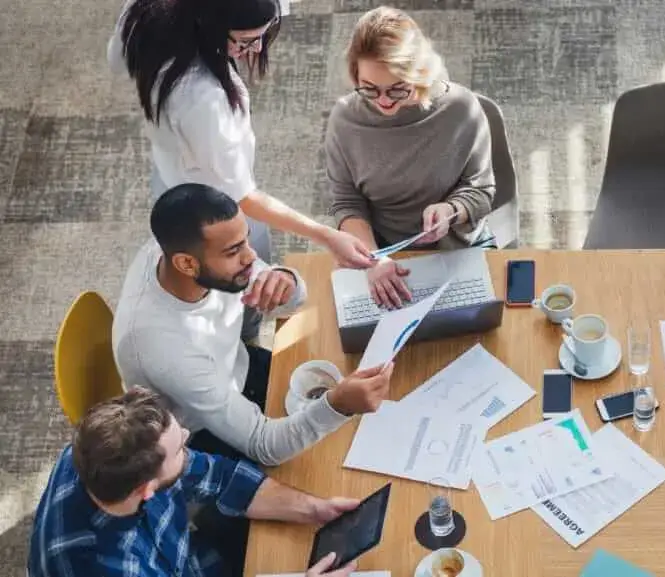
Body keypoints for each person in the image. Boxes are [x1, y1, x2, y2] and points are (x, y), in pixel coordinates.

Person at [107, 0, 375, 339]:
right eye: (245, 41)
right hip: (208, 204)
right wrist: (328, 236)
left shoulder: (146, 14)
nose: (258, 48)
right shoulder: (204, 101)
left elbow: (116, 60)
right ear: (208, 23)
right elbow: (243, 196)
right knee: (236, 282)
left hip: (170, 168)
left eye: (265, 33)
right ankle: (243, 338)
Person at [113, 183, 393, 467]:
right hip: (198, 431)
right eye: (234, 250)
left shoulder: (182, 253)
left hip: (238, 367)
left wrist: (286, 280)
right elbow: (265, 445)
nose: (250, 257)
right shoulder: (162, 346)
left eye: (246, 240)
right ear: (186, 264)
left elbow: (292, 300)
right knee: (330, 461)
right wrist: (339, 405)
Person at [28, 388, 357, 577]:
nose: (187, 435)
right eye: (179, 448)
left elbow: (223, 478)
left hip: (189, 561)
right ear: (145, 490)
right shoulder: (106, 566)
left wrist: (314, 508)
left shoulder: (99, 452)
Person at [326, 6, 497, 309]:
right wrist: (373, 258)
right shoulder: (345, 120)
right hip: (380, 250)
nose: (383, 102)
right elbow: (346, 202)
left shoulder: (461, 110)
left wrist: (451, 210)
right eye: (369, 89)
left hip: (456, 246)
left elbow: (481, 191)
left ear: (420, 75)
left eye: (397, 90)